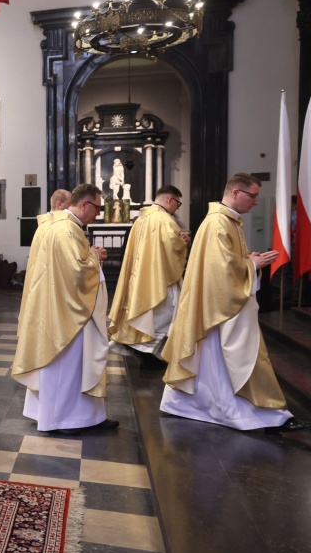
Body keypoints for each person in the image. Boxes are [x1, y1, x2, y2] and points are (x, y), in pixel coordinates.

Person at [160, 173, 309, 432]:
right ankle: (253, 413)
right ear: (236, 193)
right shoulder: (219, 222)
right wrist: (252, 264)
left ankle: (201, 406)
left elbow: (226, 261)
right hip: (220, 308)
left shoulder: (228, 221)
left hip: (218, 306)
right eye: (253, 196)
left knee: (214, 364)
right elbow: (222, 271)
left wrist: (250, 258)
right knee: (234, 358)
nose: (255, 202)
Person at [11, 184, 117, 435]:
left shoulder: (48, 226)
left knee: (57, 366)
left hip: (50, 306)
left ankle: (55, 414)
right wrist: (96, 257)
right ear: (84, 205)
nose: (98, 214)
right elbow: (77, 273)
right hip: (67, 313)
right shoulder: (68, 230)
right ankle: (67, 419)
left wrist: (89, 255)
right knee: (69, 365)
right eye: (98, 208)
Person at [108, 185, 189, 359]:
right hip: (158, 278)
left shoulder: (141, 218)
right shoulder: (164, 220)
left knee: (148, 314)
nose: (177, 208)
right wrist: (182, 243)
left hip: (140, 276)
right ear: (169, 200)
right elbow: (171, 249)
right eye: (178, 203)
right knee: (163, 315)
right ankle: (150, 354)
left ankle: (139, 348)